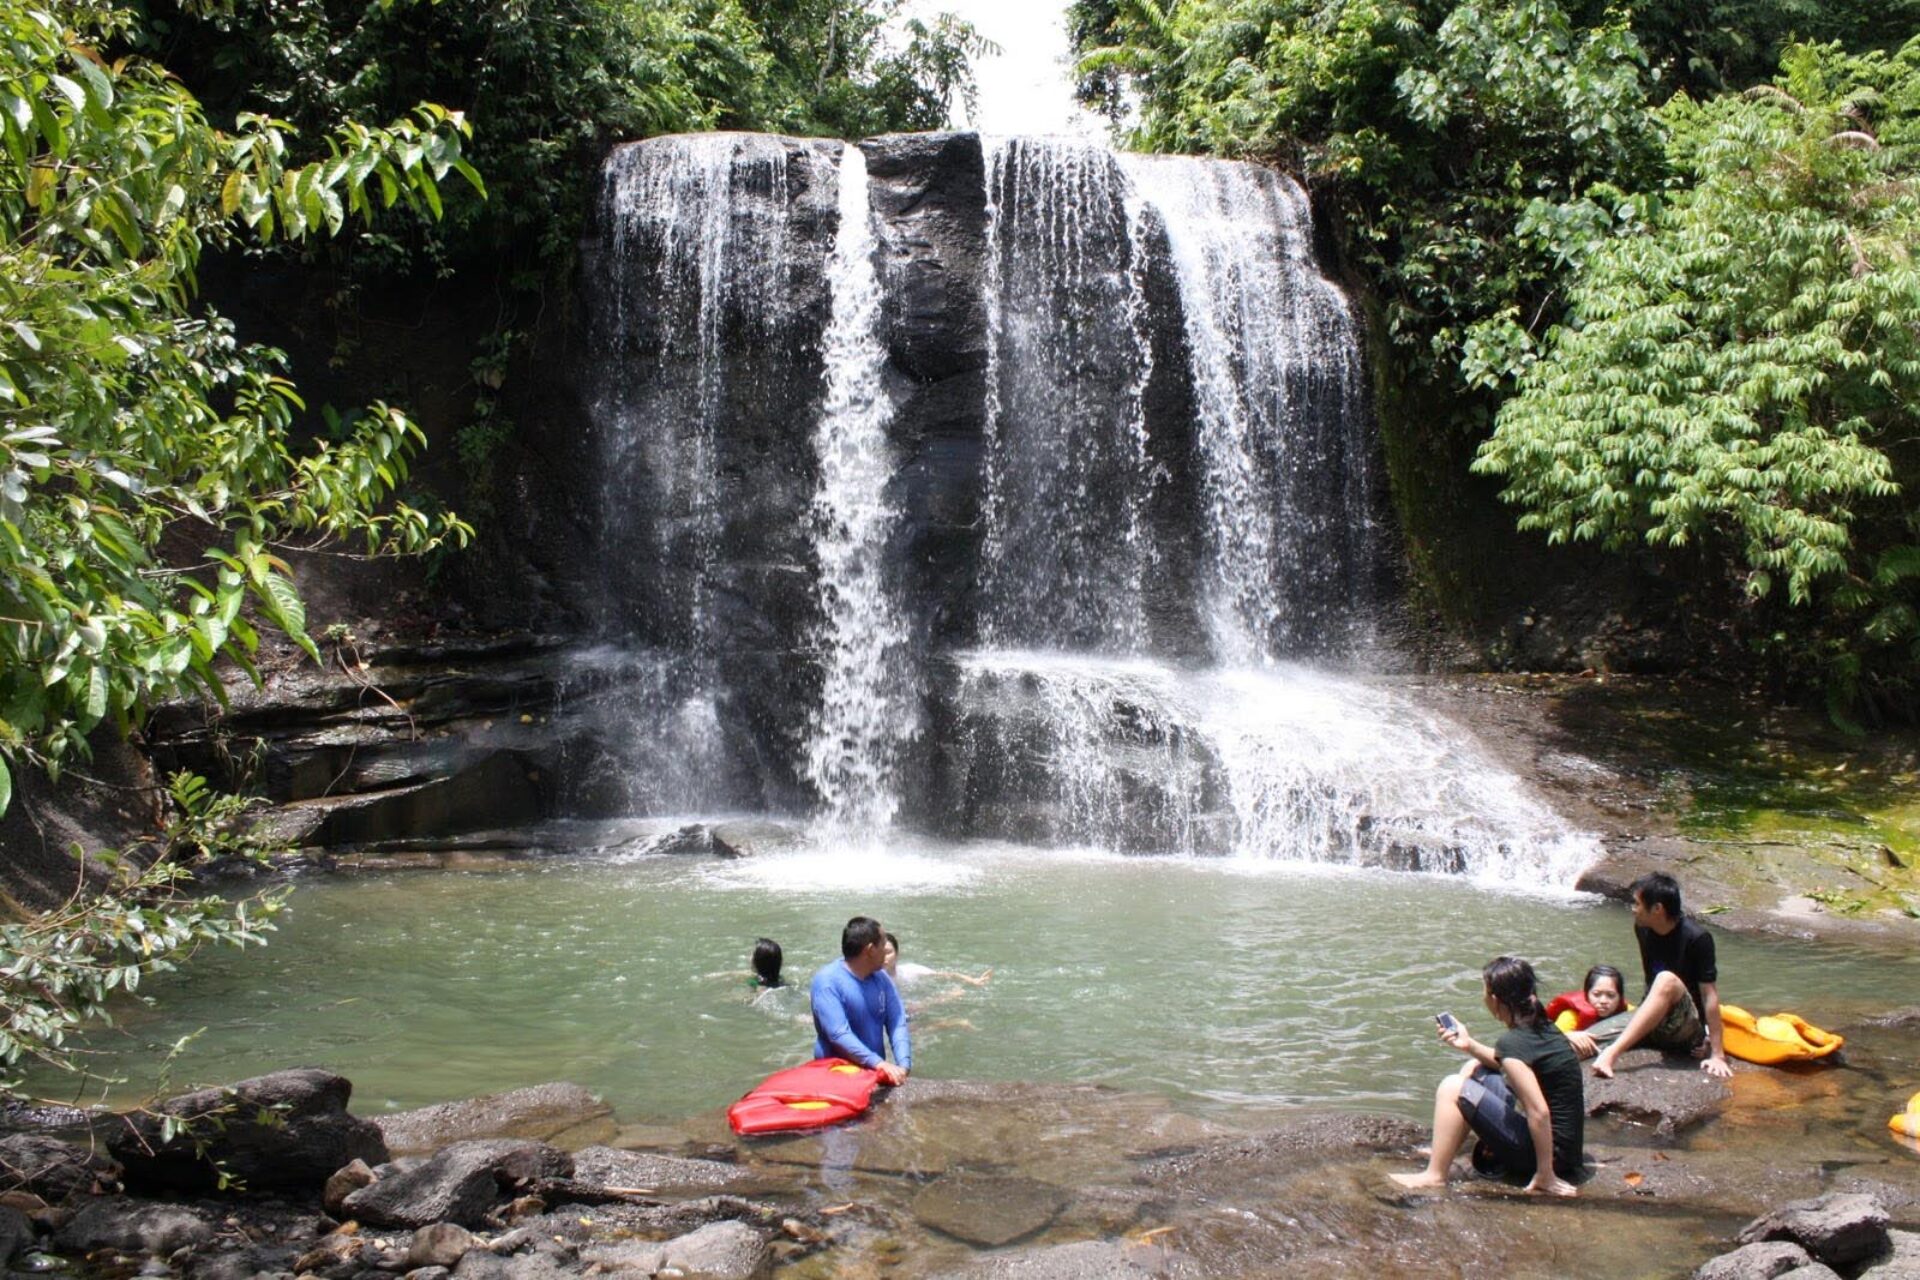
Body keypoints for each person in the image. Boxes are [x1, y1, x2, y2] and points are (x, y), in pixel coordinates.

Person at [1391, 956, 1582, 1196]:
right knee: (1475, 1067)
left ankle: (1435, 1176)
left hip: (1550, 1157)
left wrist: (1546, 1174)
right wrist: (1468, 1044)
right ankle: (1444, 1148)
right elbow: (1506, 1062)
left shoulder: (1513, 1042)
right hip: (1565, 1151)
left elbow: (1539, 1112)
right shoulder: (1542, 1025)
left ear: (1494, 999)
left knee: (1452, 1087)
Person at [1583, 872, 1733, 1080]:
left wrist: (1717, 1054)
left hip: (1685, 1027)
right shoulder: (1643, 928)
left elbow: (1709, 995)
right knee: (1583, 1039)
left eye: (1637, 904)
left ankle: (1611, 1054)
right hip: (1651, 1019)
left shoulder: (1697, 938)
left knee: (1665, 979)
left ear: (1657, 909)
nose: (1633, 909)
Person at [809, 916, 910, 1086]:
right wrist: (879, 1063)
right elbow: (838, 1034)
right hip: (835, 1076)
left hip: (873, 1073)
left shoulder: (881, 978)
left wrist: (904, 1064)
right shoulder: (827, 982)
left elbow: (897, 1021)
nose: (886, 951)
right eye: (883, 944)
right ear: (870, 950)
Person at [881, 932, 991, 988]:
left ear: (898, 954)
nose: (883, 957)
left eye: (888, 952)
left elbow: (947, 975)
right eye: (880, 953)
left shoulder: (910, 971)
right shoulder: (873, 979)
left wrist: (972, 980)